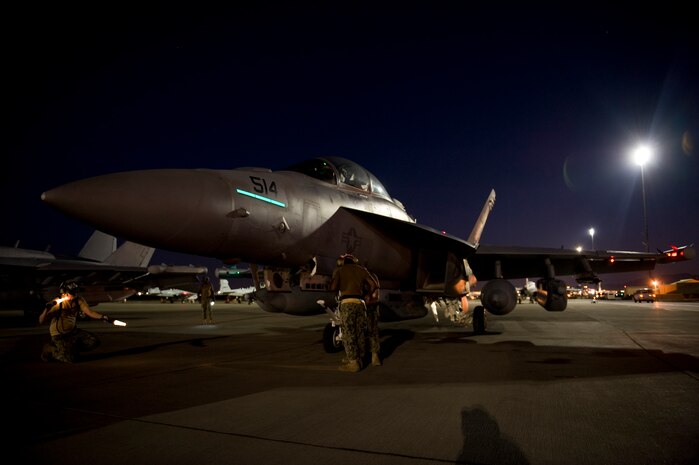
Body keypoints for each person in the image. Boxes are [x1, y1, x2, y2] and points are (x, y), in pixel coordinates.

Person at [38, 281, 110, 363]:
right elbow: (41, 320)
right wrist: (46, 309)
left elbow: (89, 312)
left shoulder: (78, 300)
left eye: (75, 292)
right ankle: (50, 349)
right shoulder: (58, 303)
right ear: (64, 293)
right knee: (70, 359)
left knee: (94, 342)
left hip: (73, 332)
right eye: (71, 293)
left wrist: (102, 317)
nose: (74, 295)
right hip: (59, 335)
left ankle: (71, 349)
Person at [330, 253, 378, 372]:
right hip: (360, 303)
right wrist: (367, 296)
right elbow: (374, 285)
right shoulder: (361, 270)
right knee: (359, 331)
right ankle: (359, 358)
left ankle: (353, 362)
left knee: (348, 333)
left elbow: (333, 288)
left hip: (347, 303)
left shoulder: (340, 270)